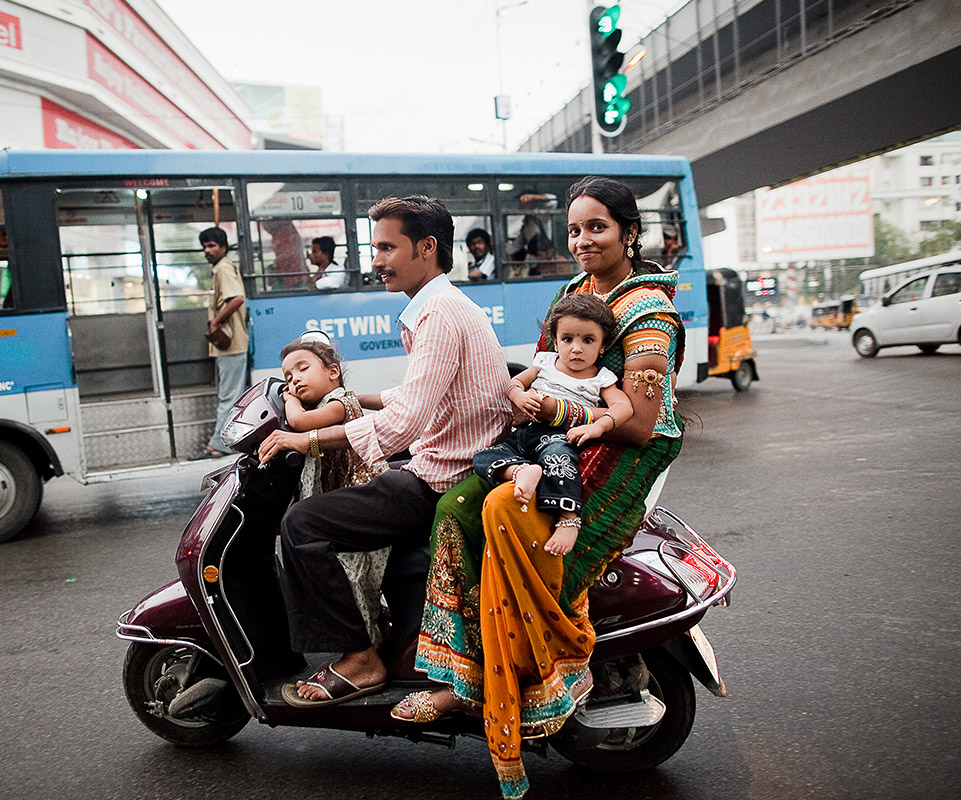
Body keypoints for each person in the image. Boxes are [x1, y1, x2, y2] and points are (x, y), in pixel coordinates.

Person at [401, 176, 686, 800]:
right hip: (554, 433)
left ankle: (532, 679)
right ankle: (460, 668)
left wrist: (551, 416)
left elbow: (636, 421)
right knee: (454, 504)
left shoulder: (648, 312)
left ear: (628, 232)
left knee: (509, 510)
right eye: (576, 229)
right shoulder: (574, 292)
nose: (582, 241)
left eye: (597, 228)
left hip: (622, 446)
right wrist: (515, 396)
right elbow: (543, 367)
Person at [256, 195, 511, 708]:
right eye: (375, 248)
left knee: (302, 526)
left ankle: (358, 657)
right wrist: (353, 399)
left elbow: (406, 422)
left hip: (443, 474)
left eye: (386, 247)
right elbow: (418, 397)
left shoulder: (438, 315)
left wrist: (305, 438)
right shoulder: (442, 307)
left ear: (428, 247)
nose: (376, 261)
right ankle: (393, 636)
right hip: (450, 462)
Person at [472, 293, 633, 556]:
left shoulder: (600, 378)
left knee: (559, 461)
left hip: (557, 436)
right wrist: (519, 396)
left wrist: (598, 427)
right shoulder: (544, 362)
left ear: (602, 346)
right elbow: (513, 383)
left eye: (588, 340)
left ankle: (568, 519)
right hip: (524, 435)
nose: (576, 348)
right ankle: (521, 472)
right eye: (568, 339)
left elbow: (623, 407)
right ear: (556, 342)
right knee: (483, 455)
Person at [277, 333, 390, 648]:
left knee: (352, 574)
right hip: (349, 497)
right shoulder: (330, 401)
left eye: (302, 368)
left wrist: (288, 399)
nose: (294, 380)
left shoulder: (339, 402)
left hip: (364, 497)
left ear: (332, 372)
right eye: (288, 376)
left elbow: (301, 423)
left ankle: (363, 649)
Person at [198, 226, 248, 458]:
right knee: (229, 395)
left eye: (211, 246)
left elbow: (237, 298)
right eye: (204, 247)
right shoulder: (221, 268)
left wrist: (215, 323)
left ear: (223, 248)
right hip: (229, 345)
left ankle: (218, 444)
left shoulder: (223, 269)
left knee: (228, 397)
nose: (207, 251)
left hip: (231, 344)